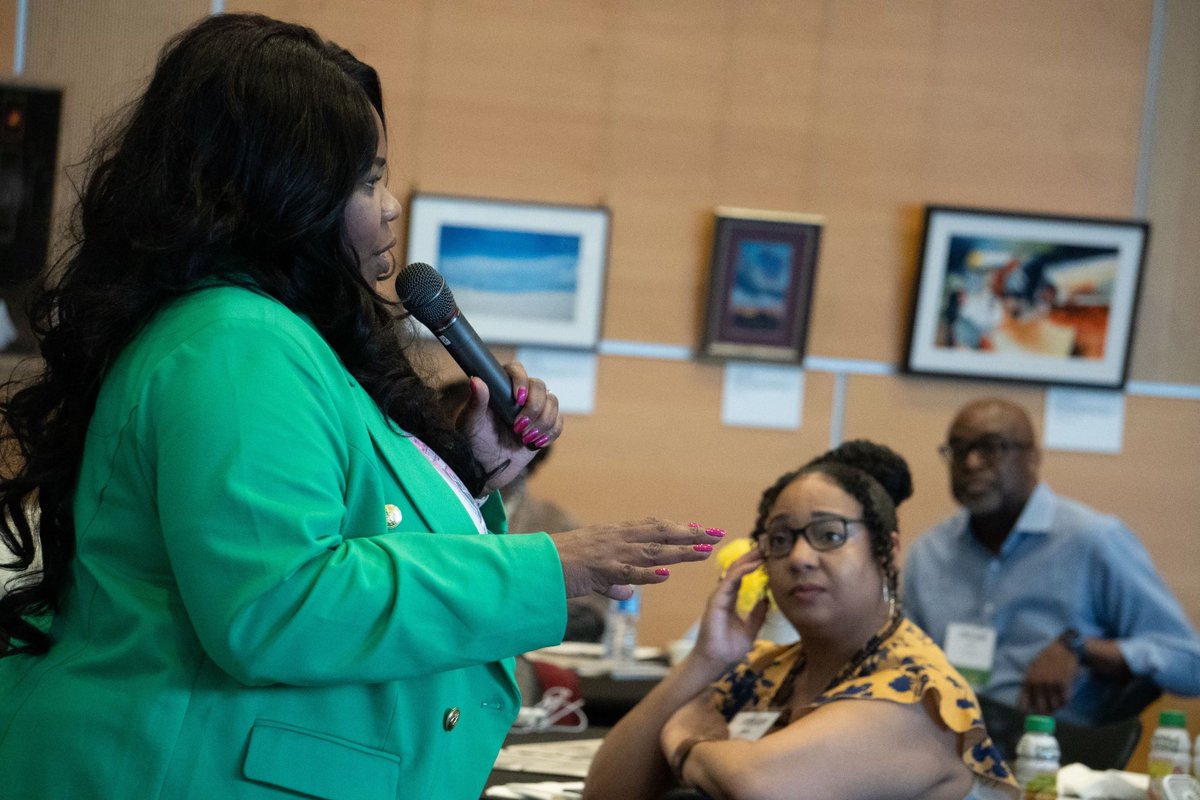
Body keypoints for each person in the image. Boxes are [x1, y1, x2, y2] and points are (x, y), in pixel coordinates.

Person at [0, 14, 722, 799]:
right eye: (367, 179)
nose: (388, 209)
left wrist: (472, 467)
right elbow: (278, 604)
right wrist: (558, 565)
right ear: (275, 188)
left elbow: (336, 534)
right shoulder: (237, 341)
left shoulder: (275, 336)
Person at [585, 441, 1018, 800]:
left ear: (887, 551)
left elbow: (758, 785)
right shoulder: (768, 671)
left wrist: (686, 743)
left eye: (829, 535)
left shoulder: (918, 690)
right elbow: (605, 793)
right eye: (779, 540)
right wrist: (706, 660)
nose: (799, 558)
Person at [903, 397, 1200, 727]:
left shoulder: (1093, 540)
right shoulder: (929, 552)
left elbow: (1189, 663)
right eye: (959, 449)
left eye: (992, 447)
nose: (971, 462)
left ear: (1033, 459)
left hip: (1054, 754)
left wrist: (1081, 649)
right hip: (943, 746)